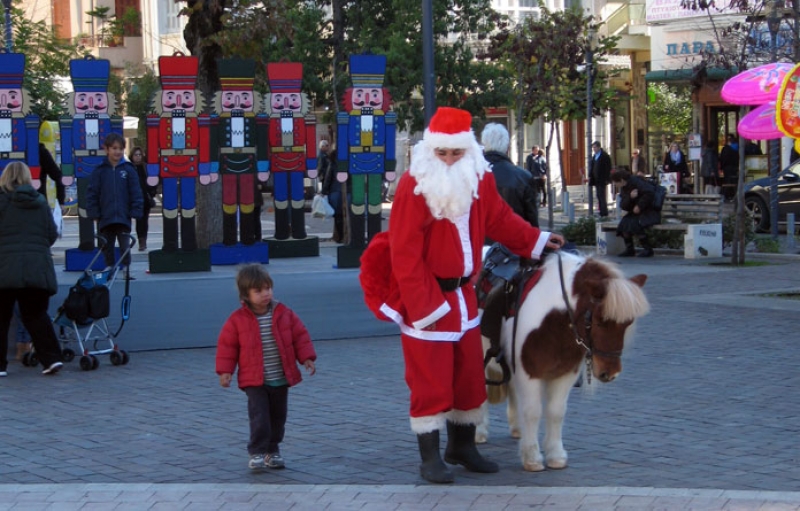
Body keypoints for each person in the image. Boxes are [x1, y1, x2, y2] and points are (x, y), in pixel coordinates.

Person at [363, 107, 564, 484]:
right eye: (442, 153)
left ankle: (462, 447)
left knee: (469, 376)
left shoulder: (479, 177)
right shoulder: (413, 185)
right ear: (431, 150)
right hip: (428, 299)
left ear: (469, 150)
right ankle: (430, 457)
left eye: (456, 153)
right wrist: (423, 306)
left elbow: (499, 219)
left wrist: (536, 240)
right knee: (431, 380)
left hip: (463, 298)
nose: (450, 160)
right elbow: (404, 251)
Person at [215, 263, 317, 471]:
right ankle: (257, 452)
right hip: (255, 380)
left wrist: (306, 358)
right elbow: (227, 347)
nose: (265, 294)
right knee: (260, 416)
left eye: (268, 288)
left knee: (278, 416)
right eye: (258, 291)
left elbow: (299, 336)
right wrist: (225, 371)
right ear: (246, 295)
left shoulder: (283, 313)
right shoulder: (237, 320)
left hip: (280, 376)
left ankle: (273, 450)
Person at [0, 161, 64, 377]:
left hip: (5, 267)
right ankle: (52, 359)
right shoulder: (40, 201)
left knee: (2, 317)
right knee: (36, 315)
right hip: (37, 267)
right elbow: (52, 234)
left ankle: (1, 366)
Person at [86, 133, 144, 271]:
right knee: (106, 244)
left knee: (125, 244)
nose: (117, 151)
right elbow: (92, 193)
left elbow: (136, 191)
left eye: (120, 148)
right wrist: (93, 212)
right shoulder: (100, 171)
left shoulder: (128, 169)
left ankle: (126, 267)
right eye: (114, 148)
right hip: (105, 215)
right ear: (106, 149)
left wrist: (136, 210)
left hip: (123, 215)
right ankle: (109, 266)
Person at [482, 124, 539, 227]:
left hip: (480, 236)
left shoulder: (470, 176)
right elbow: (532, 219)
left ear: (484, 145)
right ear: (508, 147)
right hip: (516, 234)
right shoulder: (523, 177)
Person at [610, 168, 660, 258]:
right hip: (635, 213)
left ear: (621, 180)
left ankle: (647, 249)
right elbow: (623, 205)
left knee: (635, 224)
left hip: (649, 211)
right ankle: (629, 249)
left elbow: (649, 193)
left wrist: (639, 206)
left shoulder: (637, 182)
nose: (615, 185)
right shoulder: (624, 188)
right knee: (624, 223)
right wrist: (630, 197)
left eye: (616, 183)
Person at [130, 147, 157, 251]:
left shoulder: (146, 167)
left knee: (144, 220)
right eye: (135, 155)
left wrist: (152, 192)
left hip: (145, 198)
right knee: (138, 220)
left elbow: (153, 181)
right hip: (134, 198)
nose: (138, 157)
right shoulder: (130, 167)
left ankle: (143, 241)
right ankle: (139, 240)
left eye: (139, 155)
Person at [320, 147, 345, 243]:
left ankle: (340, 236)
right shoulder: (347, 164)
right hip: (346, 192)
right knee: (346, 215)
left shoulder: (332, 164)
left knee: (338, 216)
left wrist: (323, 192)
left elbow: (328, 179)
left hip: (334, 192)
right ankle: (344, 235)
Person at [589, 141, 612, 217]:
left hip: (602, 179)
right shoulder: (595, 156)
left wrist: (607, 178)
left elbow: (608, 168)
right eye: (593, 147)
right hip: (596, 179)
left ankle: (604, 212)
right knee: (598, 195)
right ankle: (601, 211)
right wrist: (590, 175)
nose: (594, 149)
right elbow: (592, 167)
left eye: (595, 147)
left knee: (602, 195)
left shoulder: (604, 156)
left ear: (599, 147)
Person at [719, 134, 740, 201]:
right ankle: (733, 195)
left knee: (727, 182)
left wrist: (722, 167)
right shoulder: (738, 147)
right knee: (734, 181)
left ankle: (725, 195)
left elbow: (723, 159)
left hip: (727, 168)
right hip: (735, 167)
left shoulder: (725, 149)